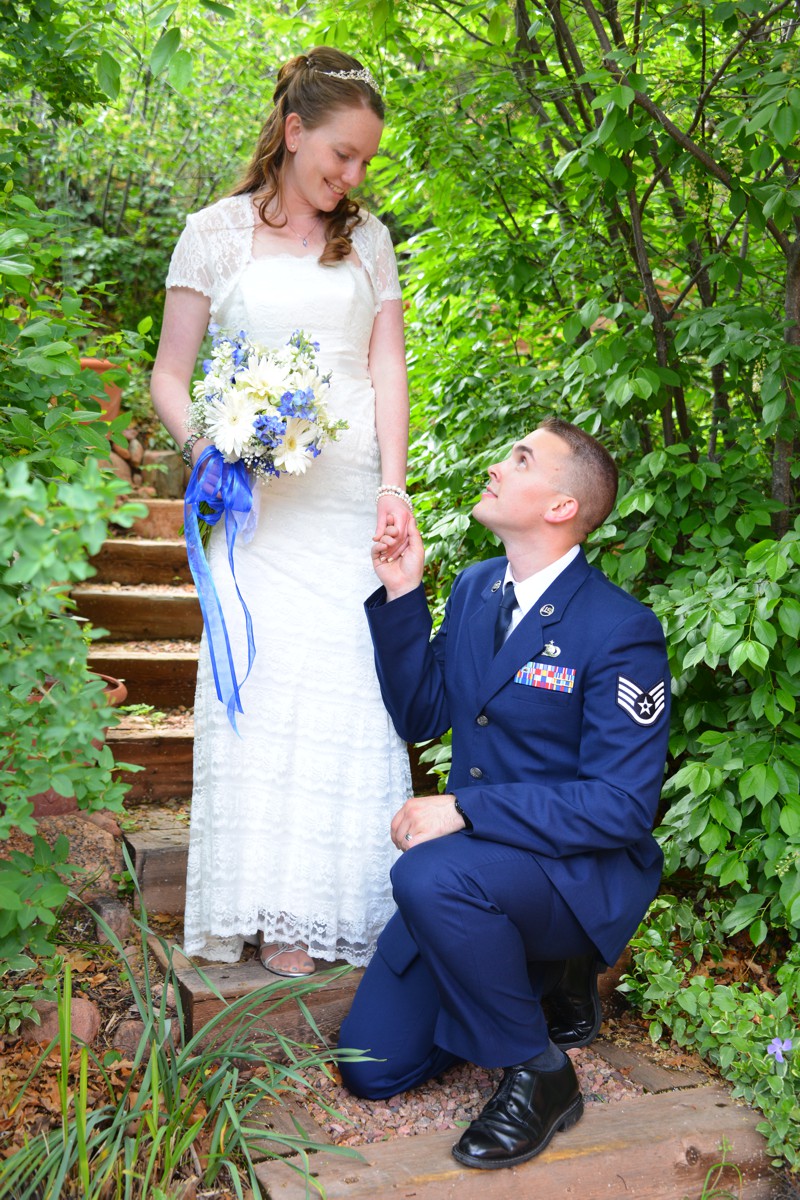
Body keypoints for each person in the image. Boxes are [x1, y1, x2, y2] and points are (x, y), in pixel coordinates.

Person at [338, 418, 671, 1169]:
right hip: (487, 873)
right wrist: (402, 591)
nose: (497, 465)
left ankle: (540, 1070)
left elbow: (621, 806)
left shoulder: (621, 629)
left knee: (425, 873)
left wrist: (464, 808)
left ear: (559, 507)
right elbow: (422, 714)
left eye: (520, 459)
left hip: (572, 875)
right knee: (371, 1067)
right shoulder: (475, 588)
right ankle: (530, 977)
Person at [150, 48, 412, 977]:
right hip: (256, 508)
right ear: (294, 132)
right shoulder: (213, 234)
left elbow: (385, 365)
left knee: (345, 687)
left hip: (344, 503)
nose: (352, 177)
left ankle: (335, 908)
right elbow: (169, 376)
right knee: (262, 691)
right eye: (341, 154)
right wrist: (207, 451)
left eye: (365, 163)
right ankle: (269, 912)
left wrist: (393, 485)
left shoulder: (368, 241)